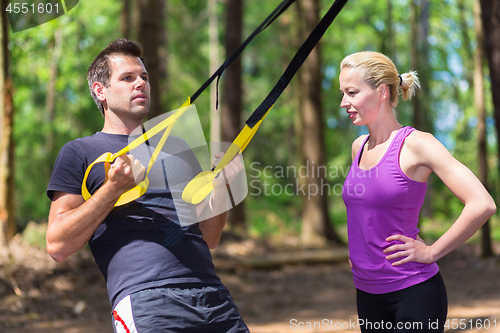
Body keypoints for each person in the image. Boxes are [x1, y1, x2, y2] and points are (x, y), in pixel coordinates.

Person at [46, 38, 249, 333]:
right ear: (100, 91)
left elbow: (209, 236)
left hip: (212, 296)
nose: (140, 83)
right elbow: (57, 245)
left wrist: (222, 187)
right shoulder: (80, 151)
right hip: (146, 299)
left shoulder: (178, 147)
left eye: (144, 77)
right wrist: (113, 188)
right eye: (127, 78)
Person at [339, 51, 496, 333]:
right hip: (366, 293)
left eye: (351, 92)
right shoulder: (358, 147)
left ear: (382, 92)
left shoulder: (417, 145)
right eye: (343, 93)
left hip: (413, 292)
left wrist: (431, 252)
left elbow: (482, 203)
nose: (343, 102)